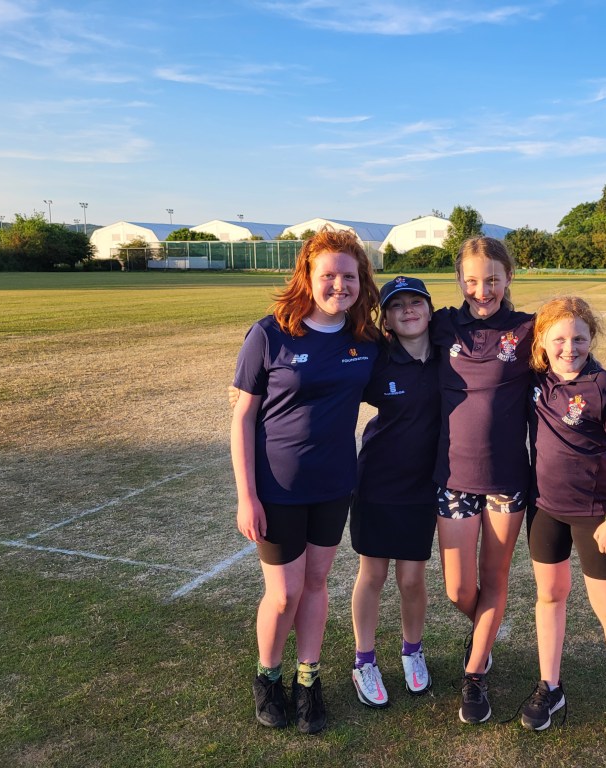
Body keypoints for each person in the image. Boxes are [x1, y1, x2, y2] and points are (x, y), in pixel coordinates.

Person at [430, 237, 606, 724]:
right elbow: (399, 335)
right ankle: (485, 633)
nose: (482, 290)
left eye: (493, 280)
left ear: (509, 278)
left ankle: (475, 672)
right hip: (453, 477)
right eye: (472, 280)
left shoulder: (527, 330)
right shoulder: (444, 324)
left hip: (508, 479)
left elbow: (573, 357)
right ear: (459, 280)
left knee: (495, 580)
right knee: (458, 589)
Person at [230, 229, 380, 735]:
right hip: (276, 489)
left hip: (334, 485)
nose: (340, 285)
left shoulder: (365, 341)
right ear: (307, 277)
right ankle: (268, 676)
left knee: (316, 584)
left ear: (361, 281)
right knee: (283, 594)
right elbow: (242, 418)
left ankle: (308, 679)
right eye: (329, 275)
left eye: (349, 276)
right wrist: (246, 496)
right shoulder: (269, 334)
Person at [518, 296, 606, 749]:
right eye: (559, 339)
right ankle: (550, 687)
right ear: (542, 341)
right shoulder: (533, 377)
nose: (569, 348)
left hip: (597, 516)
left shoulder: (605, 387)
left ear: (591, 338)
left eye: (579, 338)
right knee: (549, 596)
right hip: (544, 510)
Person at [348, 276, 440, 708]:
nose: (408, 310)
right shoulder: (377, 359)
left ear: (430, 310)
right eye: (396, 305)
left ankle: (412, 651)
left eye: (415, 302)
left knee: (411, 578)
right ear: (385, 319)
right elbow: (330, 384)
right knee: (373, 574)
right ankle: (363, 661)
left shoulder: (449, 354)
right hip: (377, 482)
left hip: (423, 486)